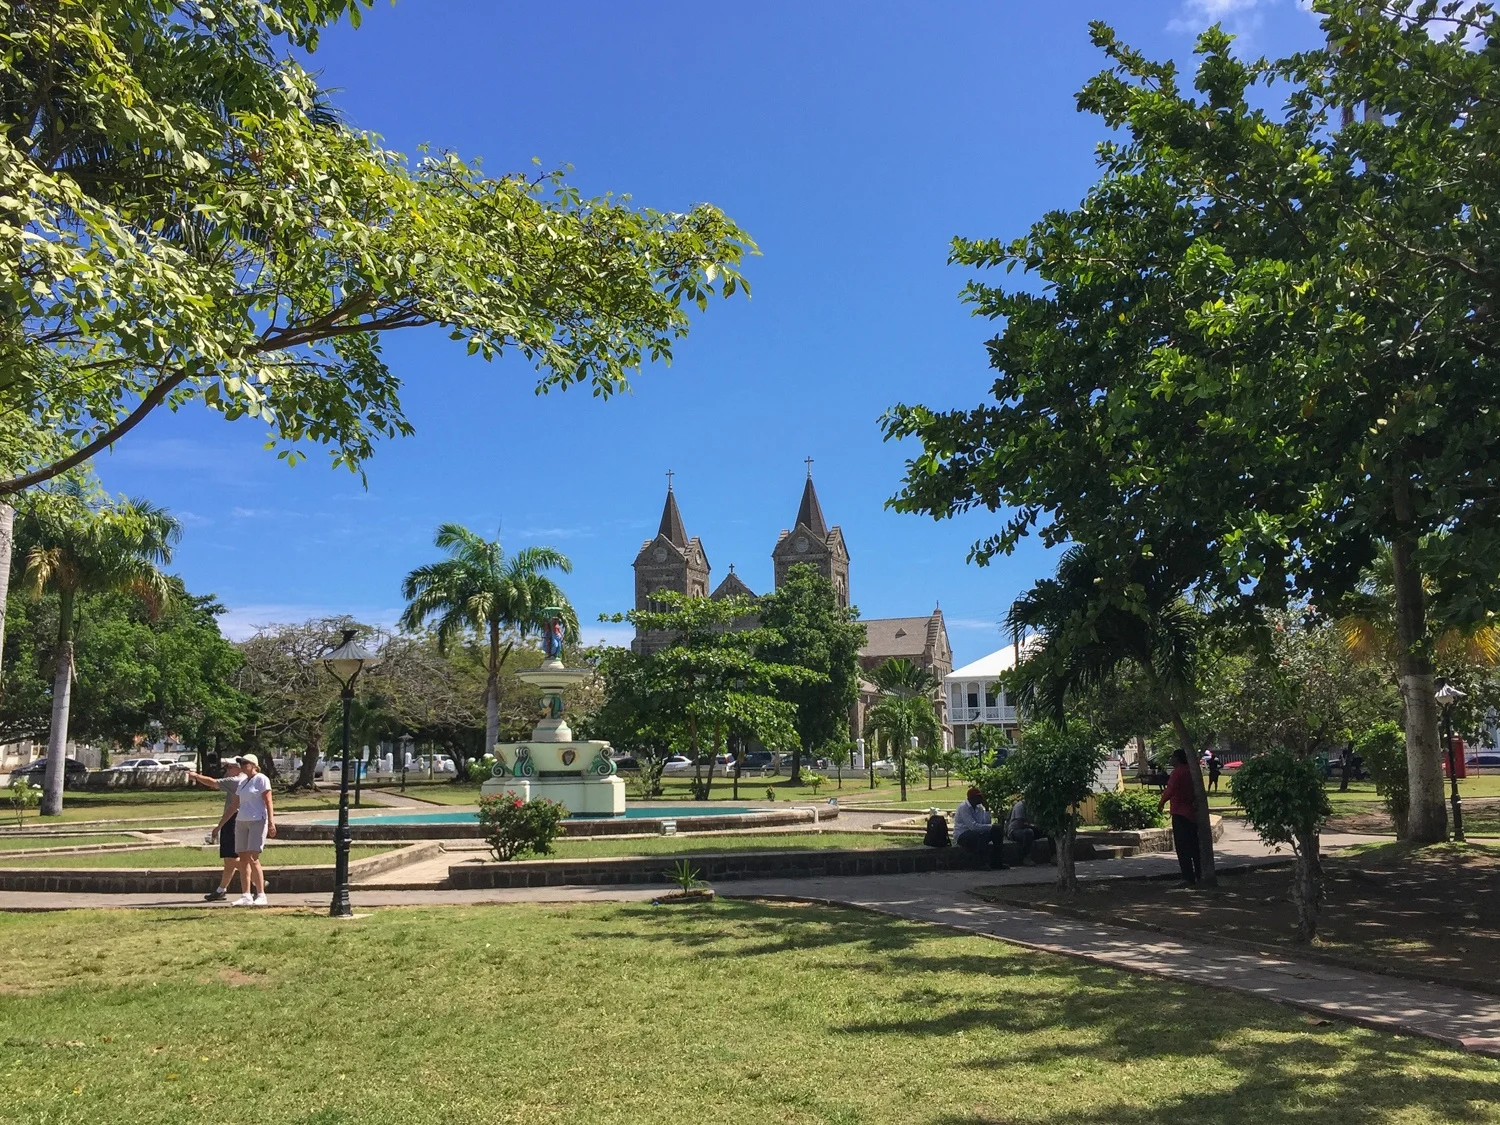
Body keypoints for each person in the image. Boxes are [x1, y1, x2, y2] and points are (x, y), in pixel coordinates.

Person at [186, 758, 243, 901]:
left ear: (239, 768)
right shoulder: (247, 781)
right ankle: (221, 889)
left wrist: (196, 776)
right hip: (238, 820)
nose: (227, 770)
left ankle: (258, 880)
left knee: (231, 858)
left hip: (232, 821)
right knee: (229, 859)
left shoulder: (236, 781)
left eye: (230, 767)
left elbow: (213, 783)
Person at [223, 754, 276, 906]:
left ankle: (261, 894)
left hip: (257, 820)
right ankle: (246, 895)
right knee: (243, 858)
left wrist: (271, 822)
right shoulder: (243, 783)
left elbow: (268, 801)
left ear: (254, 765)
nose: (243, 765)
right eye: (241, 763)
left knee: (253, 857)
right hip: (241, 821)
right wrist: (220, 825)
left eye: (245, 763)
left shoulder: (261, 779)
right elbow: (234, 805)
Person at [1158, 749, 1201, 886]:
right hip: (1191, 813)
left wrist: (1161, 803)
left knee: (1182, 847)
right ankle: (1199, 874)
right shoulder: (1192, 771)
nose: (1170, 759)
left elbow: (1170, 790)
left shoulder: (1177, 772)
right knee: (1194, 846)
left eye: (1172, 757)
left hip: (1179, 812)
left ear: (1177, 758)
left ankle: (1188, 877)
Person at [954, 787, 1007, 869]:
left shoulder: (979, 808)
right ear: (972, 798)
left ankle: (997, 862)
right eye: (978, 797)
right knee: (983, 835)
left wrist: (986, 809)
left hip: (976, 832)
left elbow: (985, 823)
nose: (981, 799)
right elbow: (973, 827)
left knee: (996, 832)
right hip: (962, 834)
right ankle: (980, 863)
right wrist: (991, 827)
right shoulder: (963, 807)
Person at [1006, 797, 1037, 863]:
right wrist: (1033, 825)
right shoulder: (1020, 806)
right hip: (1015, 831)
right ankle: (1026, 857)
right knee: (1028, 832)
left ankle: (1053, 855)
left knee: (1048, 831)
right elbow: (1021, 824)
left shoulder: (1034, 807)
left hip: (1027, 828)